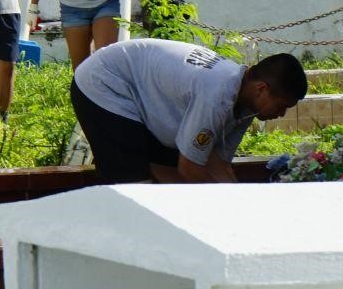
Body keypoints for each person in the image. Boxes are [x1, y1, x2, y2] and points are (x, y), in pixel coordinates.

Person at [71, 39, 306, 183]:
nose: (281, 114)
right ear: (262, 89)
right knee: (135, 183)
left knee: (165, 167)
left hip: (136, 89)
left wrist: (239, 201)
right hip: (104, 81)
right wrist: (229, 207)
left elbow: (218, 163)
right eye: (282, 106)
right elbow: (190, 167)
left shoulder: (246, 102)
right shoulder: (218, 94)